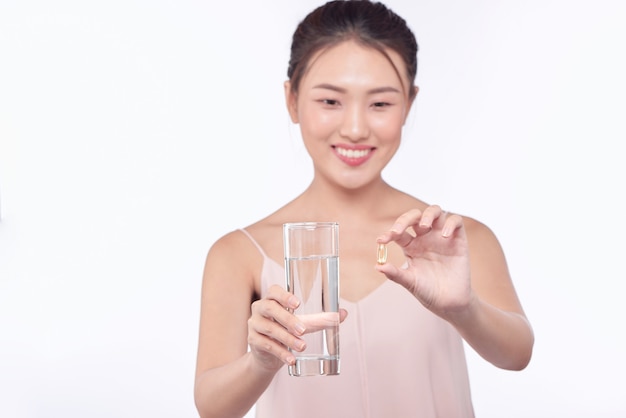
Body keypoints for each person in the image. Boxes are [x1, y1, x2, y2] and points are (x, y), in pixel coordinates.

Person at [194, 1, 534, 417]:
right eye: (331, 101)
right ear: (292, 99)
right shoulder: (239, 253)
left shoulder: (453, 240)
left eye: (380, 104)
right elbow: (212, 407)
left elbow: (517, 353)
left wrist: (464, 309)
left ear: (409, 103)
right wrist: (260, 361)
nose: (355, 128)